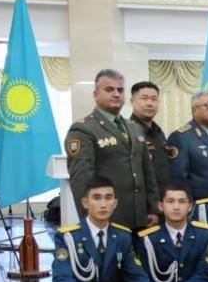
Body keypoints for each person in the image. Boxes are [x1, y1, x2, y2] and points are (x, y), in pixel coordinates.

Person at [64, 69, 159, 230]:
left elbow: (147, 172)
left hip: (140, 218)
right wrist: (90, 220)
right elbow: (81, 180)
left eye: (120, 90)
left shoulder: (134, 127)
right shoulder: (83, 129)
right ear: (95, 95)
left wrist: (153, 208)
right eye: (109, 89)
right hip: (107, 219)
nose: (116, 94)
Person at [129, 81, 172, 193]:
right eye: (144, 98)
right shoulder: (127, 132)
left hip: (163, 197)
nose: (150, 103)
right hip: (141, 198)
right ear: (132, 101)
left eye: (154, 99)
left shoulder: (159, 132)